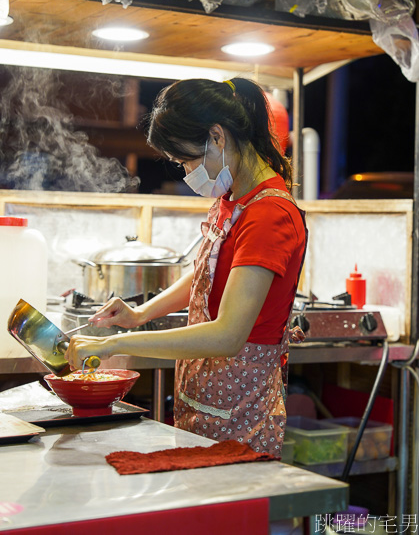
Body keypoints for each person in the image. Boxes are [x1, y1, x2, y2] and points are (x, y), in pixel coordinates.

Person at [65, 77, 308, 457]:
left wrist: (113, 344)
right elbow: (207, 271)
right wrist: (142, 313)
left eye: (188, 160)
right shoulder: (234, 199)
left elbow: (227, 335)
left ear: (217, 137)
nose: (187, 172)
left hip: (241, 413)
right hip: (207, 401)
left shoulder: (269, 215)